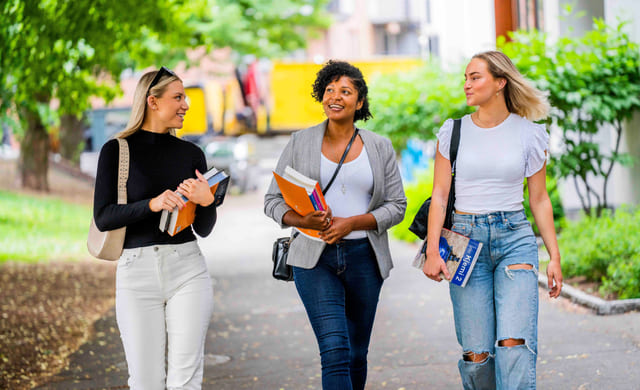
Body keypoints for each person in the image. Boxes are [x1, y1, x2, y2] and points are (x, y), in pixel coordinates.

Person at [422, 50, 563, 389]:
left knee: (514, 345)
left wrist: (554, 255)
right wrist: (432, 252)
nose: (467, 85)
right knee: (476, 355)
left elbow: (539, 199)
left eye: (475, 77)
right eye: (466, 78)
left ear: (500, 82)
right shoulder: (453, 131)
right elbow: (439, 195)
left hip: (515, 238)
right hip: (464, 240)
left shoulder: (529, 134)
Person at [264, 60, 406, 390]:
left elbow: (397, 206)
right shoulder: (300, 142)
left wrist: (353, 222)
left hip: (364, 259)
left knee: (356, 354)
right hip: (314, 260)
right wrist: (302, 220)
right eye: (329, 90)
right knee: (335, 350)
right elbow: (272, 201)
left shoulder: (379, 146)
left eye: (345, 91)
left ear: (359, 101)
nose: (335, 97)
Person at [93, 66, 216, 389]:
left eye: (185, 97)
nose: (186, 104)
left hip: (187, 269)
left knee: (186, 380)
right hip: (137, 274)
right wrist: (152, 204)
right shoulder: (116, 151)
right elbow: (103, 216)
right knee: (146, 381)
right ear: (152, 101)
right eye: (178, 97)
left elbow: (204, 229)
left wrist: (207, 201)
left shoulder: (192, 154)